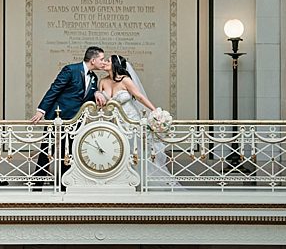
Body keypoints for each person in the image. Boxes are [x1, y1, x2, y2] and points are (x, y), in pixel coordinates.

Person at [29, 46, 109, 187]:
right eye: (101, 59)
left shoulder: (94, 77)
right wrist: (41, 110)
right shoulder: (71, 70)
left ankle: (63, 184)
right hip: (58, 118)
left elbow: (86, 98)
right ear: (93, 59)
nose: (103, 62)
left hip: (75, 121)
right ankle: (37, 184)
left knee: (68, 151)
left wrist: (96, 92)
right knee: (47, 149)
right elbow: (54, 89)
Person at [99, 54, 181, 188]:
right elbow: (101, 102)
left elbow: (140, 97)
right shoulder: (102, 81)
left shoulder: (125, 80)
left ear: (115, 64)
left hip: (131, 120)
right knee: (117, 150)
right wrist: (98, 94)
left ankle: (140, 181)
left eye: (108, 61)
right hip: (114, 121)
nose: (105, 63)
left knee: (136, 150)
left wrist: (155, 111)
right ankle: (121, 182)